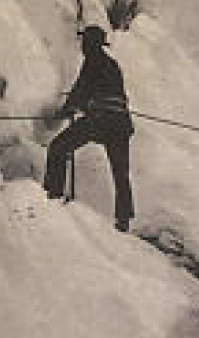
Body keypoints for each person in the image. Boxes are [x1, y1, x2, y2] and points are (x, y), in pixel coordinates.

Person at [44, 26, 135, 232]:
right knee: (120, 172)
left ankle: (52, 199)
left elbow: (80, 92)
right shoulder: (111, 64)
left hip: (100, 121)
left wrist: (64, 112)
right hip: (120, 124)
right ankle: (124, 220)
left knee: (58, 148)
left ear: (91, 44)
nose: (83, 47)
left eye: (85, 42)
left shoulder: (92, 61)